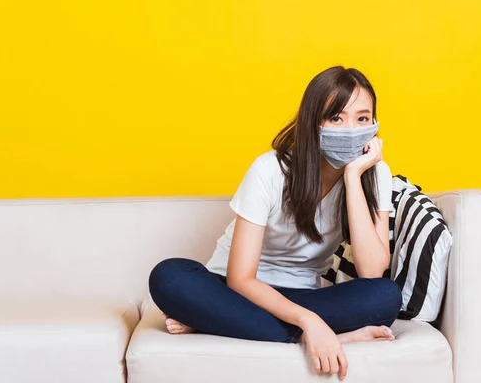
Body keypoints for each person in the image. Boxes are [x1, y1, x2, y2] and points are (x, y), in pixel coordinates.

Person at [148, 66, 403, 380]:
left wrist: (353, 177)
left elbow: (372, 271)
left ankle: (221, 322)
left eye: (362, 118)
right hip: (235, 292)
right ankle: (310, 335)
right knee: (170, 277)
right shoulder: (270, 170)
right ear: (312, 122)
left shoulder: (375, 174)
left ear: (374, 124)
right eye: (336, 117)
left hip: (304, 295)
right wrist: (309, 323)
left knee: (385, 296)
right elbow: (240, 278)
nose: (350, 128)